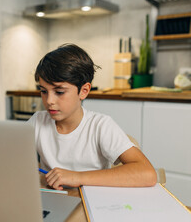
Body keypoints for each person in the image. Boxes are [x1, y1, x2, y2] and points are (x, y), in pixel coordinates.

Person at [28, 44, 157, 190]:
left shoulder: (100, 126)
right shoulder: (37, 121)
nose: (49, 100)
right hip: (54, 199)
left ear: (84, 91)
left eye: (59, 92)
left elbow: (147, 173)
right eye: (44, 91)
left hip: (91, 202)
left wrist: (77, 177)